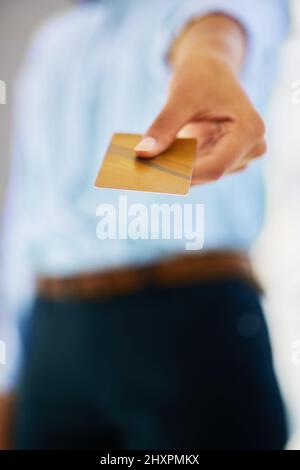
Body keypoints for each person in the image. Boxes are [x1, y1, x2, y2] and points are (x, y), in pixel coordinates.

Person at [0, 0, 289, 449]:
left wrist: (208, 56)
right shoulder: (53, 40)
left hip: (187, 324)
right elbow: (26, 210)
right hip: (52, 334)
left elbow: (211, 26)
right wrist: (9, 372)